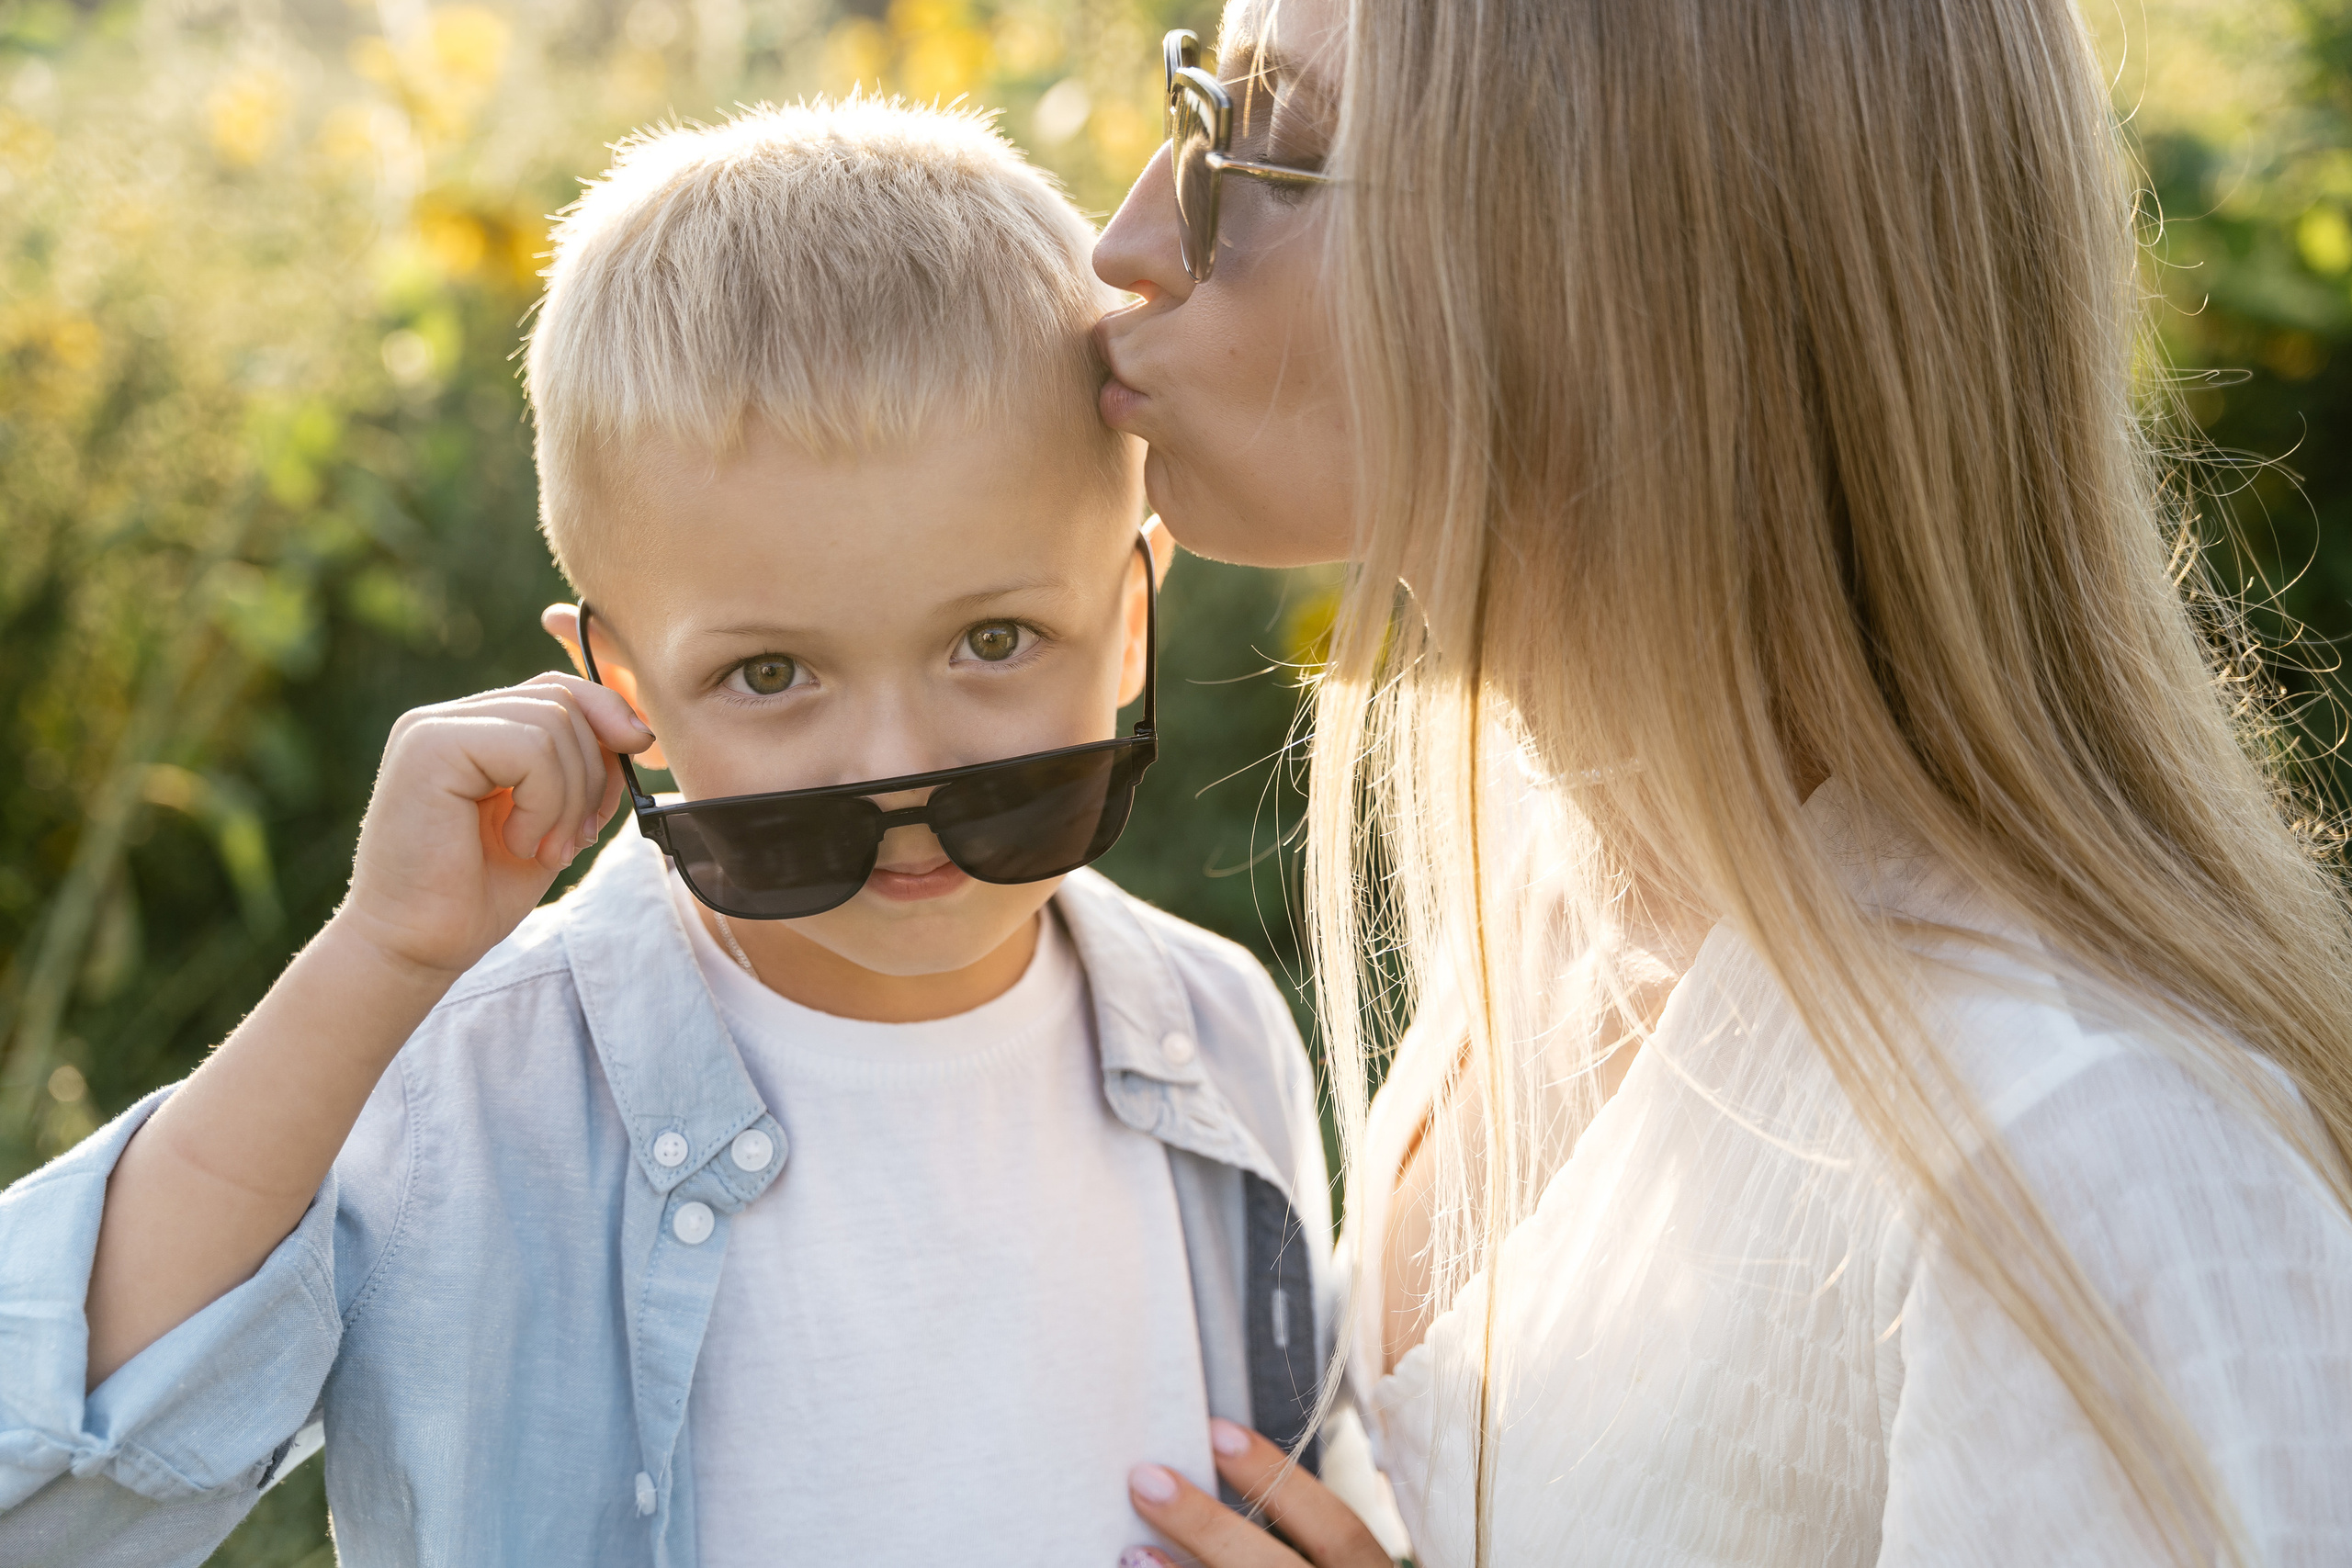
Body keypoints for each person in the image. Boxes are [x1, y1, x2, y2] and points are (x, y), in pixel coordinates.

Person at [0, 100, 1340, 1567]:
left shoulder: (1221, 1040)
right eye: (771, 674)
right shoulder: (469, 1077)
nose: (897, 769)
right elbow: (51, 1476)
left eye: (996, 639)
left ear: (1132, 618)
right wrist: (380, 961)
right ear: (618, 690)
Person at [1095, 2, 2352, 1565]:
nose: (1131, 237)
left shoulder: (2086, 1170)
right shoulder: (1560, 903)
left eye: (1264, 147)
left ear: (1608, 261)